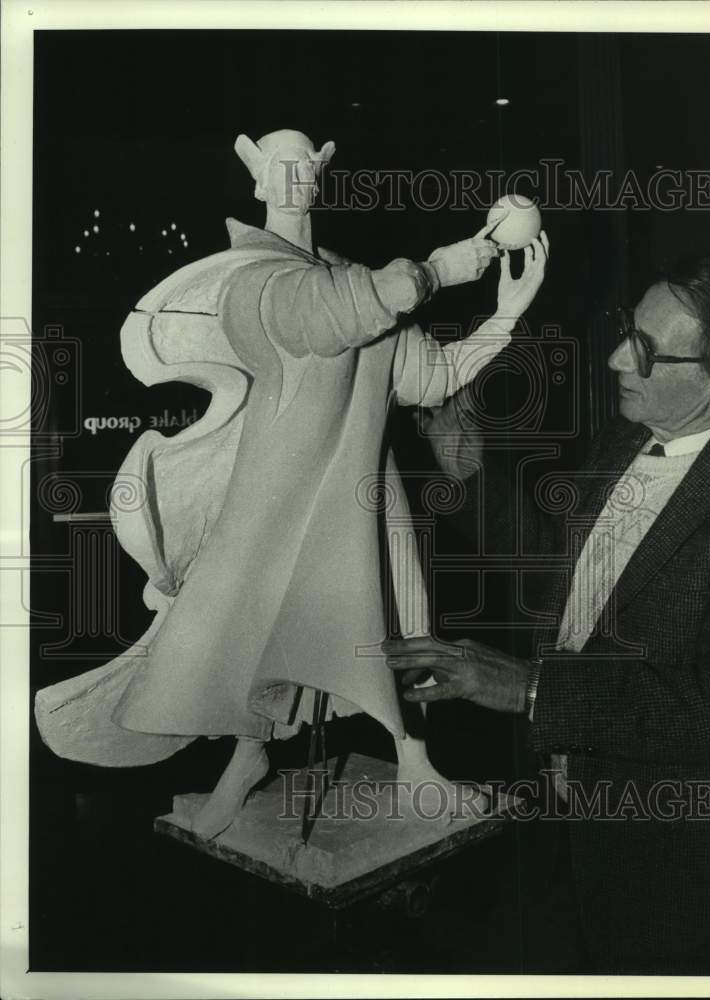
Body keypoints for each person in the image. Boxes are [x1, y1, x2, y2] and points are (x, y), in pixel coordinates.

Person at [35, 129, 549, 840]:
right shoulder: (257, 279)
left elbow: (428, 376)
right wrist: (437, 270)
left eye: (307, 165)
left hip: (365, 503)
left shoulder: (357, 280)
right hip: (272, 506)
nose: (296, 178)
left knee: (400, 627)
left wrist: (504, 315)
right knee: (249, 636)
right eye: (281, 166)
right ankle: (245, 760)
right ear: (256, 178)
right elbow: (323, 312)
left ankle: (414, 761)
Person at [385, 254, 710, 973]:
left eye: (649, 351)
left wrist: (531, 690)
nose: (614, 357)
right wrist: (468, 466)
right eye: (631, 329)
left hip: (687, 862)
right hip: (587, 815)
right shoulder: (630, 436)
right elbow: (561, 579)